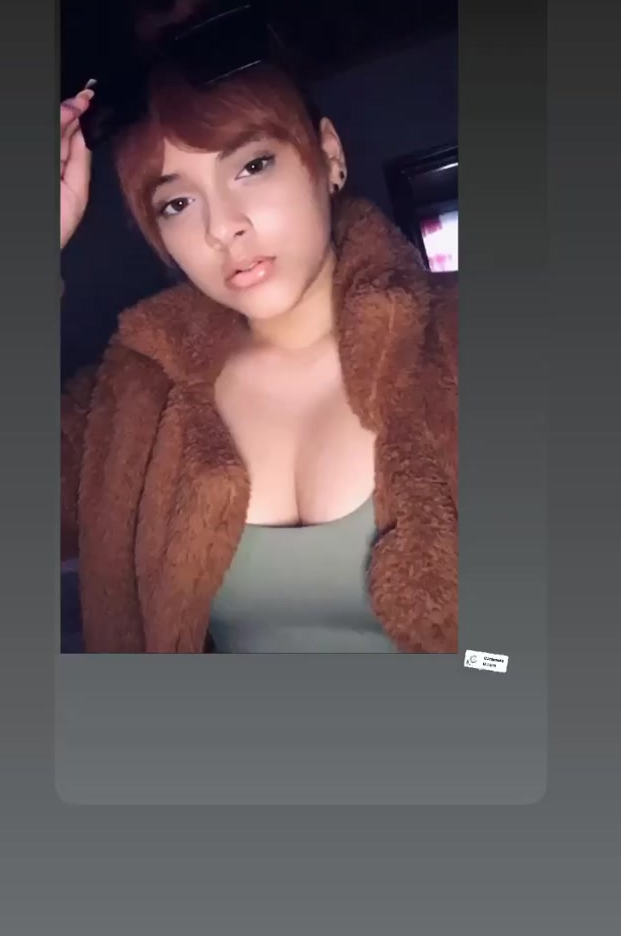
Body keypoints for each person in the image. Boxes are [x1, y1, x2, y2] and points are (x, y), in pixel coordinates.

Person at [61, 48, 458, 654]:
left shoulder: (456, 339)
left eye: (252, 166)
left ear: (328, 156)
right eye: (177, 203)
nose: (222, 228)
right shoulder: (136, 393)